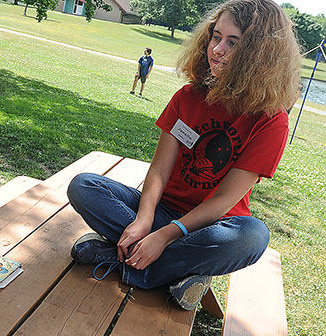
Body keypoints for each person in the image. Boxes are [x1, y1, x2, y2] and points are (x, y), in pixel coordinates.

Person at [68, 0, 300, 311]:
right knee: (84, 186)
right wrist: (144, 219)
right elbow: (159, 171)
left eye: (234, 42)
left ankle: (126, 261)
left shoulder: (270, 120)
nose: (218, 49)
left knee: (254, 237)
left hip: (214, 226)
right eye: (216, 37)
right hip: (162, 210)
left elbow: (224, 201)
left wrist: (164, 236)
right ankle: (173, 270)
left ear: (261, 54)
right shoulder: (187, 97)